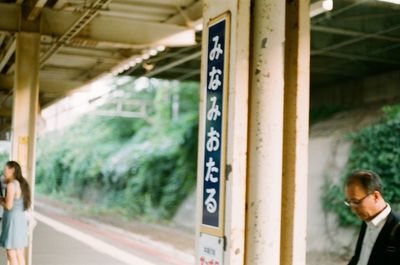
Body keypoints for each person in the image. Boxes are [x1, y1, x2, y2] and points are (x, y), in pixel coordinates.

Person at [345, 170, 400, 265]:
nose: (353, 209)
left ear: (375, 196)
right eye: (350, 202)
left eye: (356, 202)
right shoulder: (367, 220)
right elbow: (359, 258)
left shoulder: (397, 228)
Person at [0, 161, 31, 265]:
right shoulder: (21, 183)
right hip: (20, 220)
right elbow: (14, 200)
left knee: (11, 254)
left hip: (13, 221)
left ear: (12, 170)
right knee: (19, 253)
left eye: (6, 169)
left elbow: (9, 206)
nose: (4, 171)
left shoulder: (12, 185)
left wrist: (0, 200)